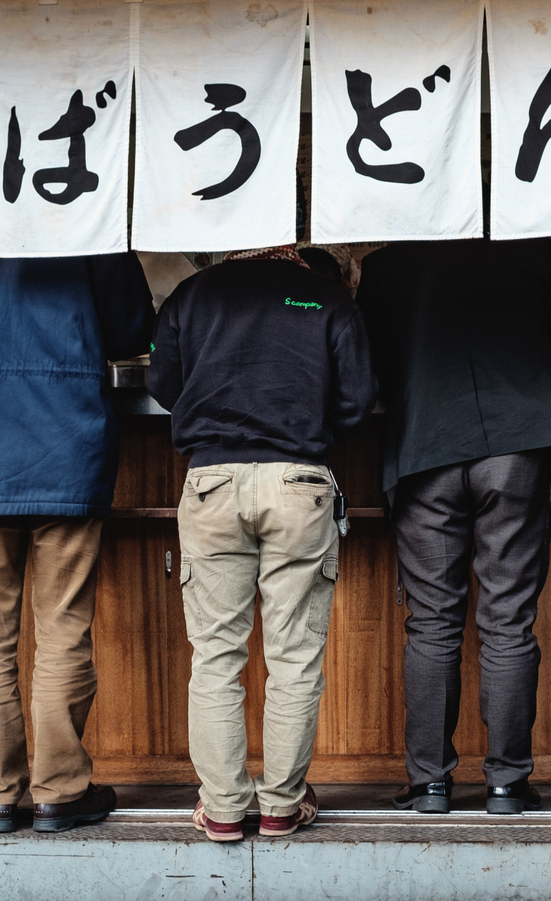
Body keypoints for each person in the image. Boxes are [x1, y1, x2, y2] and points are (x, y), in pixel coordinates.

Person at [0, 245, 155, 833]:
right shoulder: (85, 207)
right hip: (67, 438)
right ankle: (59, 790)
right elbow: (131, 327)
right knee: (62, 627)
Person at [355, 238, 551, 815]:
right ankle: (508, 783)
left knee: (433, 621)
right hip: (516, 446)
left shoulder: (387, 264)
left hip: (426, 444)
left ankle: (430, 783)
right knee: (508, 618)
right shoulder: (529, 253)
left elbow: (371, 367)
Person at [149, 245, 376, 842]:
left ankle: (222, 808)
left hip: (211, 481)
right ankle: (281, 804)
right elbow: (357, 400)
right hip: (299, 480)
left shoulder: (191, 296)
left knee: (216, 655)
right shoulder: (327, 298)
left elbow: (163, 385)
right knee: (294, 656)